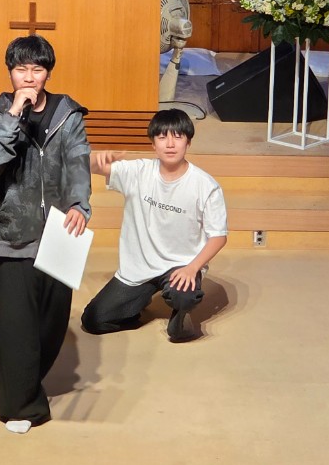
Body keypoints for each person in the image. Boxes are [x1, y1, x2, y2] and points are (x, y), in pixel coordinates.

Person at [0, 35, 91, 434]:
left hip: (60, 232)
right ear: (10, 73)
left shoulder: (67, 114)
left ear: (47, 73)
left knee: (51, 323)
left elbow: (78, 162)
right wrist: (13, 115)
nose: (29, 77)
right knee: (13, 325)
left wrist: (79, 205)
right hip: (11, 231)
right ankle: (21, 406)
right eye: (21, 69)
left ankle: (25, 381)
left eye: (37, 70)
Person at [82, 108, 228, 342]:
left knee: (184, 296)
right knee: (94, 320)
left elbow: (218, 236)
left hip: (180, 265)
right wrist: (96, 160)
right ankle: (137, 304)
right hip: (139, 268)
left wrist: (192, 268)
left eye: (177, 137)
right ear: (153, 144)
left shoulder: (205, 185)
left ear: (188, 142)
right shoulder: (138, 171)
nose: (170, 144)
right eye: (162, 137)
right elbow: (88, 165)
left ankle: (181, 316)